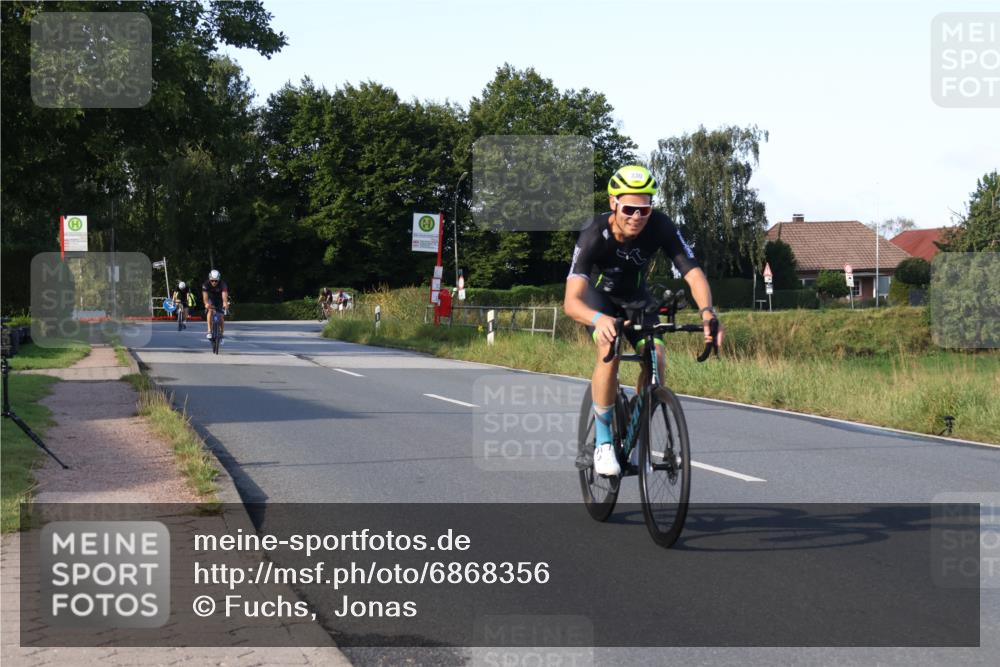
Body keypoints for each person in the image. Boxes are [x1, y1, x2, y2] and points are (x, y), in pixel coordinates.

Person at [563, 165, 725, 477]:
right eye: (629, 209)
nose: (637, 217)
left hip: (637, 300)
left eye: (644, 209)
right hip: (599, 302)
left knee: (658, 360)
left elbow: (692, 271)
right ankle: (604, 441)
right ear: (613, 203)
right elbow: (572, 301)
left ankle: (638, 425)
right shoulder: (594, 233)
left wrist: (707, 312)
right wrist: (598, 319)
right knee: (608, 352)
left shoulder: (660, 226)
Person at [202, 269, 229, 341]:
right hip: (211, 299)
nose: (214, 282)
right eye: (212, 280)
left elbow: (224, 295)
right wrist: (206, 304)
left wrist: (225, 303)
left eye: (216, 281)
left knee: (221, 316)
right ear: (209, 279)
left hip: (220, 300)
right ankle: (209, 331)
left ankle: (222, 332)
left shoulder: (223, 284)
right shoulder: (206, 284)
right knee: (210, 311)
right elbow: (205, 297)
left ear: (219, 280)